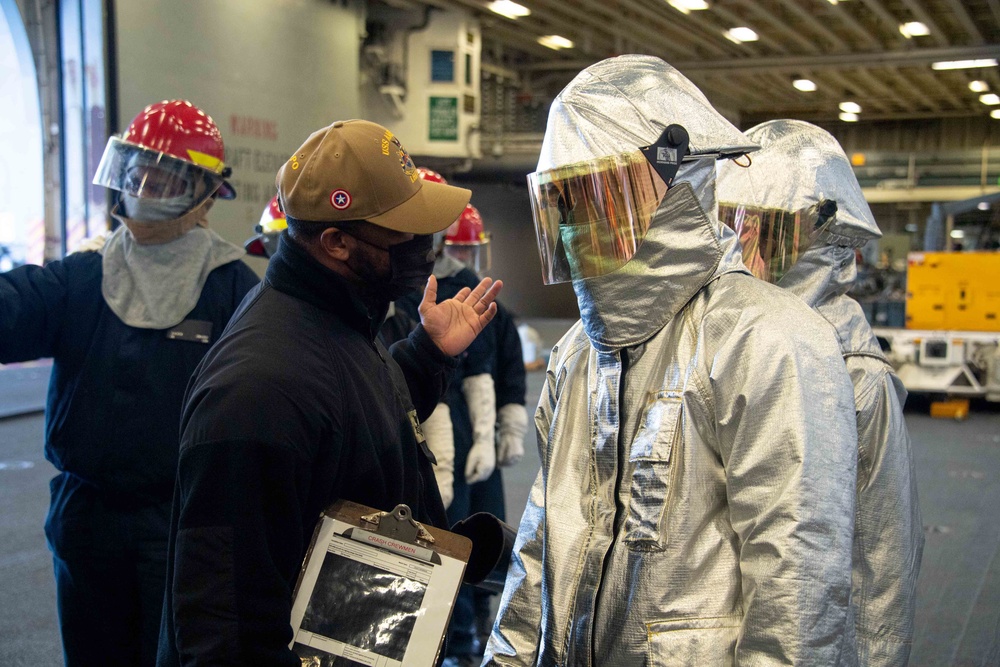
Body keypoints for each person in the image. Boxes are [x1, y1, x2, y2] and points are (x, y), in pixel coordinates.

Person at [486, 55, 860, 665]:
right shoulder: (577, 355)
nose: (580, 230)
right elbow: (540, 551)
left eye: (602, 201)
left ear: (678, 190)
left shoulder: (769, 339)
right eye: (566, 206)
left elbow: (797, 590)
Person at [156, 119, 502, 665]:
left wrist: (427, 354)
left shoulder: (331, 319)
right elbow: (227, 621)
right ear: (337, 242)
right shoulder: (257, 389)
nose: (424, 248)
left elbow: (348, 420)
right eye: (404, 233)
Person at [0, 99, 259, 667]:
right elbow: (11, 312)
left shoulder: (233, 287)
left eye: (163, 175)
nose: (144, 186)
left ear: (205, 192)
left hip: (179, 520)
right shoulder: (85, 273)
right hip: (84, 513)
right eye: (136, 171)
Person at [717, 118, 923, 667]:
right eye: (732, 229)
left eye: (768, 234)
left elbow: (882, 558)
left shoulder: (856, 373)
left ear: (823, 241)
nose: (746, 253)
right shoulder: (722, 346)